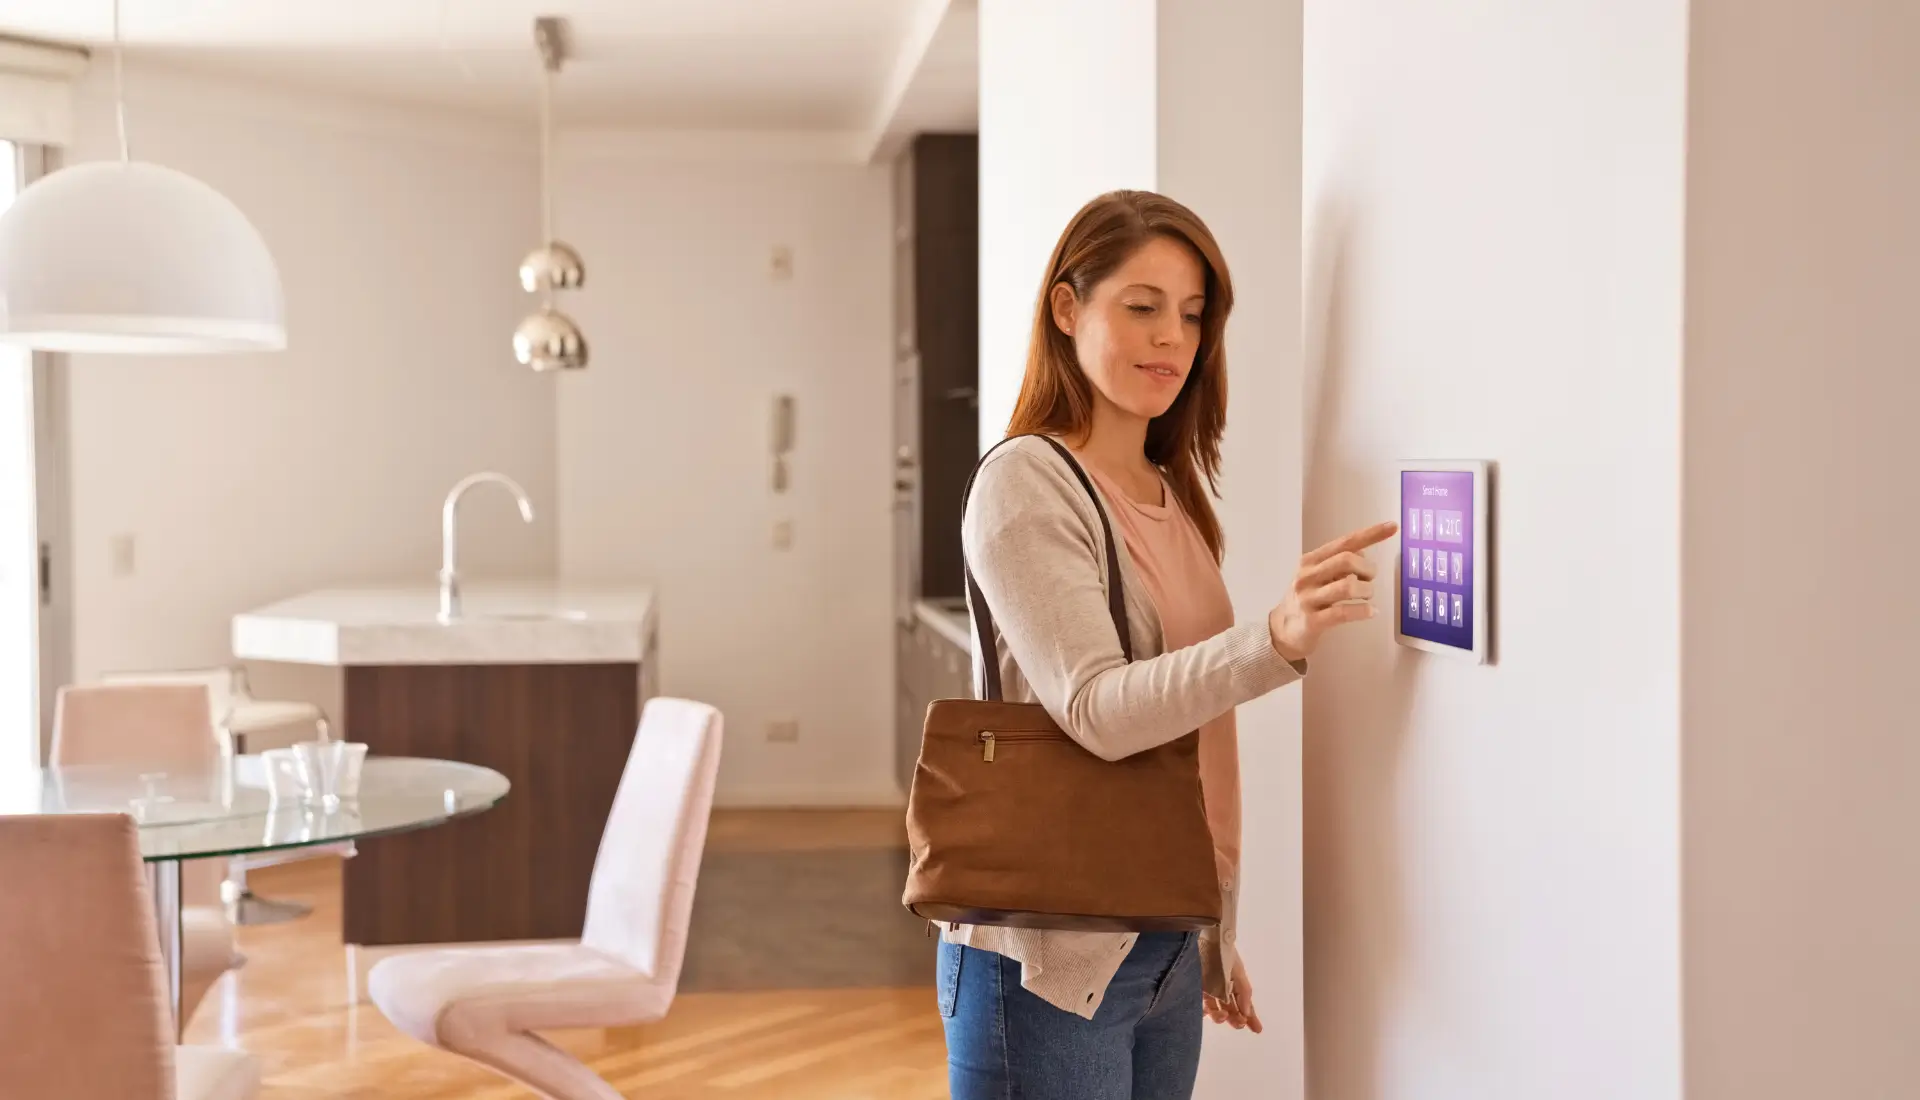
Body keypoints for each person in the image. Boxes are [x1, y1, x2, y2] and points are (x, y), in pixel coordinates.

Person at [940, 189, 1396, 1099]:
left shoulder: (1166, 491)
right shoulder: (1028, 482)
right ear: (1068, 309)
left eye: (1192, 315)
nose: (1172, 340)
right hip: (1050, 957)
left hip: (1162, 941)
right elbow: (1098, 711)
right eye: (1141, 306)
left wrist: (1210, 929)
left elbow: (1197, 746)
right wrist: (1272, 638)